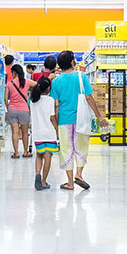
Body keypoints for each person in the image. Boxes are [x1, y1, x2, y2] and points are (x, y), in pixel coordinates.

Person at [50, 50, 108, 191]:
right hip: (81, 119)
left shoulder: (56, 81)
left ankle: (70, 182)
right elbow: (89, 98)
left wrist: (55, 125)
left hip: (64, 119)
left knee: (66, 150)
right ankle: (79, 174)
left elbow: (55, 104)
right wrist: (99, 116)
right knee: (81, 147)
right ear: (71, 61)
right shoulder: (81, 76)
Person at [30, 75, 59, 190]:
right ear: (48, 89)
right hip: (49, 133)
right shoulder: (50, 100)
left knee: (39, 156)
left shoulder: (33, 101)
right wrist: (57, 130)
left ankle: (38, 174)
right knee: (48, 156)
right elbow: (52, 118)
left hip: (38, 133)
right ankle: (43, 182)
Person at [5, 64, 36, 159]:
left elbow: (5, 99)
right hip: (24, 110)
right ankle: (26, 152)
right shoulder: (26, 82)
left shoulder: (9, 84)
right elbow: (37, 85)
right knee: (25, 132)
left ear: (14, 73)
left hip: (12, 110)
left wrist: (9, 107)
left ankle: (16, 152)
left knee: (15, 132)